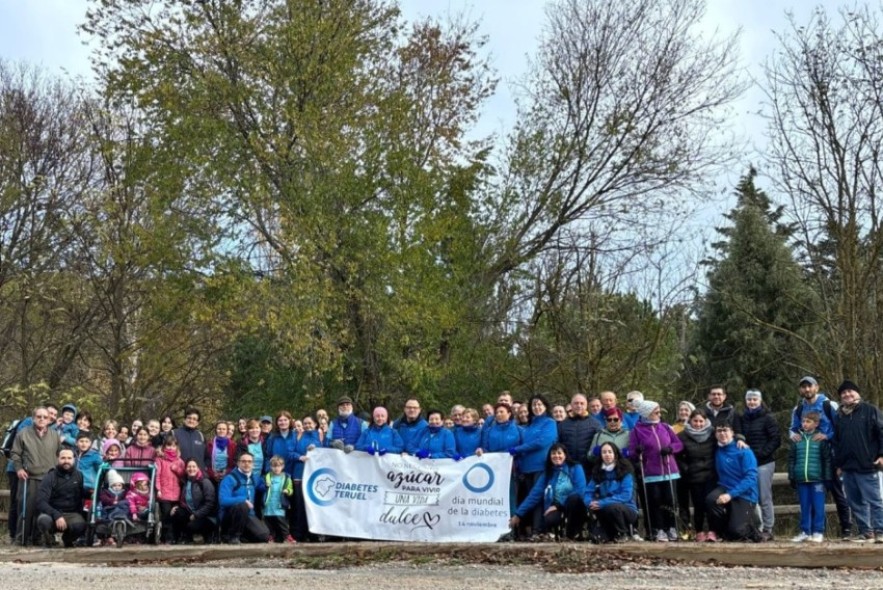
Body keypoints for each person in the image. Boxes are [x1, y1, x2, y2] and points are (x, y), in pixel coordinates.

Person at [789, 375, 852, 539]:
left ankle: (846, 529)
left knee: (837, 493)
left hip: (831, 456)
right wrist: (792, 435)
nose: (807, 389)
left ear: (816, 387)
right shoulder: (799, 408)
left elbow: (841, 427)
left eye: (810, 386)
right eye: (803, 387)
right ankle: (808, 531)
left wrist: (827, 436)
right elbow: (794, 428)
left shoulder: (828, 404)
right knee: (809, 497)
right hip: (811, 459)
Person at [831, 380, 883, 543]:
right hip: (847, 467)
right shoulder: (840, 416)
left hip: (868, 465)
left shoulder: (870, 410)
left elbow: (881, 433)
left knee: (874, 500)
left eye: (850, 391)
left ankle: (880, 530)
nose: (847, 394)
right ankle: (865, 531)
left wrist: (881, 454)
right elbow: (837, 442)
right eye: (843, 393)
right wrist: (838, 464)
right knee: (855, 502)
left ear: (857, 393)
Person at [629, 400, 683, 542]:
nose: (659, 414)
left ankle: (671, 527)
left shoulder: (665, 427)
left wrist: (671, 449)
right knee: (655, 501)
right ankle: (658, 529)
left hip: (669, 470)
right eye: (656, 412)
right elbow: (632, 451)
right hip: (651, 472)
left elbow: (678, 444)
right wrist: (637, 450)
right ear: (647, 413)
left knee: (670, 500)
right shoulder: (636, 430)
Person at [510, 443, 586, 540]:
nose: (556, 456)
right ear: (549, 456)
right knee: (549, 519)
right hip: (556, 508)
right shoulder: (547, 474)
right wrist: (518, 514)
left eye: (559, 453)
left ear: (565, 455)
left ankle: (573, 534)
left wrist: (559, 505)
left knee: (574, 498)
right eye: (553, 453)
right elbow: (534, 495)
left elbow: (580, 490)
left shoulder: (575, 468)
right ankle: (560, 534)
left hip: (574, 505)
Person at [10, 406, 62, 545]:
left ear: (49, 419)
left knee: (43, 510)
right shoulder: (23, 433)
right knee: (25, 510)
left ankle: (38, 539)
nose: (42, 419)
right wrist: (19, 468)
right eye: (39, 416)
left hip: (48, 479)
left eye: (45, 417)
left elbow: (60, 454)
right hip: (29, 478)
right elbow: (15, 453)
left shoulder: (54, 435)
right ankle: (21, 539)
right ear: (33, 418)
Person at [510, 394, 559, 537]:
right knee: (529, 499)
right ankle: (531, 529)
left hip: (541, 466)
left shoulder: (550, 423)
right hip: (526, 468)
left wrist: (518, 450)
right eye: (534, 405)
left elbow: (542, 442)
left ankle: (539, 529)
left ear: (545, 406)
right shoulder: (530, 425)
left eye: (539, 404)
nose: (537, 407)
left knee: (539, 498)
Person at [705, 420, 761, 542]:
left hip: (745, 493)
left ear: (732, 433)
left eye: (725, 430)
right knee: (711, 500)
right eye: (719, 431)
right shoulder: (717, 448)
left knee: (736, 532)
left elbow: (751, 477)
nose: (722, 433)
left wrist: (730, 495)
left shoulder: (744, 451)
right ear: (715, 434)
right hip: (725, 487)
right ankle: (723, 531)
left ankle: (754, 531)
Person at [738, 388, 780, 541]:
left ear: (760, 401)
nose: (752, 402)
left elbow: (776, 439)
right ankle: (755, 527)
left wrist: (761, 454)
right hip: (747, 463)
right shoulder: (742, 418)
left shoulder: (768, 418)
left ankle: (768, 528)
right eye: (749, 399)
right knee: (750, 496)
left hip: (764, 462)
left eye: (755, 399)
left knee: (764, 496)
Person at [788, 410, 832, 543]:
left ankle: (818, 531)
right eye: (803, 421)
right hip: (801, 478)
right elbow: (791, 459)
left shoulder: (820, 440)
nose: (804, 424)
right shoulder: (797, 440)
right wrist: (792, 475)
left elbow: (827, 460)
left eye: (808, 421)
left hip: (817, 479)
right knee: (804, 506)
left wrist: (827, 478)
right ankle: (805, 531)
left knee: (818, 506)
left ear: (816, 423)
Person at [584, 442, 639, 543]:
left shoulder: (625, 471)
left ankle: (623, 533)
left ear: (615, 454)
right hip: (604, 508)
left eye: (610, 452)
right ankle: (609, 533)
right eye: (604, 452)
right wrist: (589, 503)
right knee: (597, 539)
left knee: (612, 507)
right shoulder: (597, 472)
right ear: (600, 455)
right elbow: (588, 492)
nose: (607, 454)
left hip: (626, 509)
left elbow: (625, 495)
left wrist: (602, 502)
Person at [677, 409, 717, 542]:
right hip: (693, 475)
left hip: (711, 474)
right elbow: (677, 455)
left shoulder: (713, 433)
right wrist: (686, 468)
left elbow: (727, 439)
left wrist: (740, 439)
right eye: (695, 421)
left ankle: (712, 531)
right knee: (698, 505)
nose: (698, 424)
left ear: (705, 421)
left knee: (711, 504)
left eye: (701, 421)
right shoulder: (682, 435)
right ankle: (699, 531)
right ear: (690, 421)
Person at [35, 448, 86, 548]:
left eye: (69, 458)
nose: (66, 461)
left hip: (72, 513)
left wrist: (91, 493)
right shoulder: (50, 477)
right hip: (52, 513)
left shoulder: (79, 475)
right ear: (58, 459)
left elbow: (81, 494)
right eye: (63, 458)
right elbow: (40, 501)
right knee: (43, 520)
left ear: (74, 459)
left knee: (80, 525)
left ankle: (68, 540)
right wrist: (56, 515)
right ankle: (48, 539)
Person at [218, 451, 269, 544]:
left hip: (249, 515)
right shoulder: (229, 479)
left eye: (249, 461)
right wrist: (243, 500)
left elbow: (262, 486)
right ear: (238, 463)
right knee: (242, 505)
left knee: (264, 536)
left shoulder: (255, 477)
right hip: (230, 516)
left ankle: (242, 536)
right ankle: (231, 536)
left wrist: (267, 485)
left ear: (253, 464)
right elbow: (223, 501)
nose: (247, 464)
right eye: (243, 461)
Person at [171, 458, 217, 544]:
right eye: (189, 467)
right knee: (176, 513)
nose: (191, 469)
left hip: (206, 516)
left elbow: (210, 504)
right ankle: (181, 538)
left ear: (198, 468)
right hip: (191, 512)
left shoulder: (205, 482)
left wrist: (196, 515)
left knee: (191, 526)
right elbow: (182, 500)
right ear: (185, 469)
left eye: (194, 466)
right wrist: (176, 506)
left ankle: (209, 535)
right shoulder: (185, 482)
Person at [291, 415, 321, 542]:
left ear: (315, 424)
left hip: (313, 477)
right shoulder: (297, 436)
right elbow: (290, 452)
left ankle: (313, 534)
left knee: (312, 506)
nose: (307, 425)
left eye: (310, 423)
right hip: (299, 475)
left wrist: (314, 448)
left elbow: (321, 449)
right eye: (305, 423)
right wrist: (300, 457)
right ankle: (299, 535)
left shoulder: (318, 436)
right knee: (299, 506)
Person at [557, 393, 602, 475]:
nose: (579, 405)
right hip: (568, 466)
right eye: (576, 403)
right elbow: (558, 444)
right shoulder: (562, 425)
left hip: (589, 467)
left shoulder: (595, 424)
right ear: (571, 405)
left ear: (586, 405)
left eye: (582, 403)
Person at [155, 433, 185, 544]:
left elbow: (183, 476)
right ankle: (167, 538)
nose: (171, 448)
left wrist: (177, 469)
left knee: (176, 515)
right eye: (168, 445)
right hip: (164, 493)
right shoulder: (160, 459)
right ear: (164, 447)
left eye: (173, 446)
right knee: (166, 515)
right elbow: (157, 475)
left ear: (176, 447)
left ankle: (176, 537)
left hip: (176, 493)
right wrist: (158, 489)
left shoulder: (180, 461)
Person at [263, 455, 295, 543]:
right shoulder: (267, 476)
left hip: (279, 504)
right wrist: (265, 485)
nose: (276, 468)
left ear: (282, 466)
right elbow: (263, 487)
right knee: (269, 521)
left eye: (278, 466)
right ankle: (271, 537)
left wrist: (287, 491)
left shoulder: (286, 478)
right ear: (271, 467)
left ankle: (287, 536)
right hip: (269, 504)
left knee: (282, 521)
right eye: (274, 466)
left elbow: (291, 489)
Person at [205, 421, 235, 485]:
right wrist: (213, 474)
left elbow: (234, 463)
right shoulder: (210, 444)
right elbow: (206, 461)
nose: (221, 431)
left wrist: (226, 472)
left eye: (224, 429)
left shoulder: (232, 445)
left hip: (227, 476)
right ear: (216, 430)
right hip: (213, 477)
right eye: (219, 429)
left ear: (227, 431)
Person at [74, 430, 102, 496]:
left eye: (87, 441)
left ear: (90, 443)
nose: (84, 444)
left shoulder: (94, 455)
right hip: (76, 485)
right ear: (76, 443)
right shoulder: (73, 455)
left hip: (89, 485)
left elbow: (100, 469)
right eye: (81, 441)